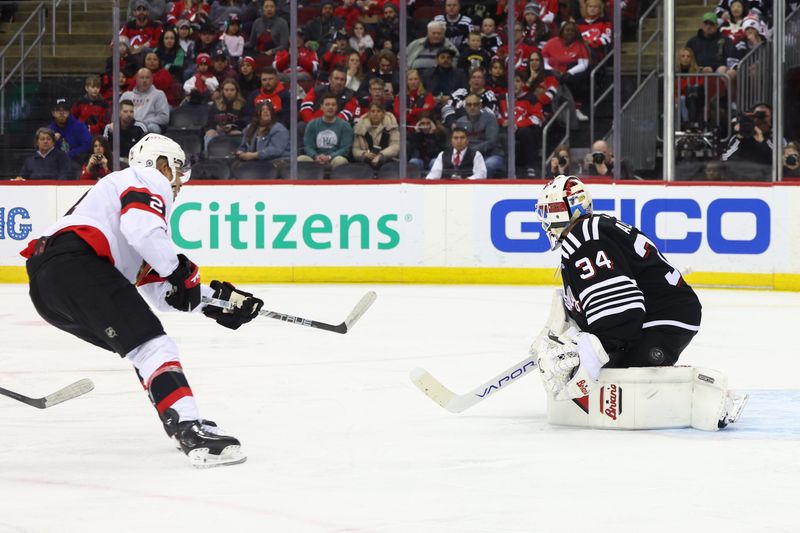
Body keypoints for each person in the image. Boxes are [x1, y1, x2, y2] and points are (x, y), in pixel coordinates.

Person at [20, 133, 263, 468]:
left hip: (49, 287)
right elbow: (145, 233)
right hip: (76, 267)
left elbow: (163, 294)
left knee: (143, 348)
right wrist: (183, 271)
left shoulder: (119, 205)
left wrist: (219, 302)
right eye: (177, 169)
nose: (178, 183)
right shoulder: (145, 178)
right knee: (153, 347)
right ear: (161, 162)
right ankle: (190, 429)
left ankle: (182, 422)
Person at [531, 175, 741, 429]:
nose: (546, 220)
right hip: (656, 311)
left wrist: (597, 346)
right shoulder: (589, 234)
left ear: (566, 210)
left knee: (623, 377)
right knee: (608, 373)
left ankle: (708, 392)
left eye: (549, 211)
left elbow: (621, 307)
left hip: (664, 315)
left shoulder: (584, 236)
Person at [453, 93, 505, 177]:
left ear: (480, 105)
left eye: (475, 104)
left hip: (490, 156)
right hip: (468, 158)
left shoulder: (490, 118)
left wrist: (470, 152)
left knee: (488, 165)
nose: (472, 107)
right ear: (465, 107)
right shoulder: (460, 122)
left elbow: (491, 142)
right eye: (469, 105)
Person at [298, 93, 353, 169]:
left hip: (334, 159)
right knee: (301, 159)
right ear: (321, 107)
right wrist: (316, 156)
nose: (330, 107)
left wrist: (330, 157)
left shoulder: (345, 125)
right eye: (327, 105)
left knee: (340, 161)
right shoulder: (312, 124)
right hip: (316, 159)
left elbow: (345, 148)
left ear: (337, 107)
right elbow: (308, 146)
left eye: (333, 105)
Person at [352, 102, 400, 170]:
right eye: (373, 111)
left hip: (388, 161)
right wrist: (364, 153)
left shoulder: (391, 126)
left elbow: (396, 146)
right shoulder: (360, 127)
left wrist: (381, 155)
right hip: (365, 162)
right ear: (368, 113)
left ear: (383, 114)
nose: (375, 114)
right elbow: (355, 150)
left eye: (378, 111)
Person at [122, 68, 170, 133]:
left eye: (147, 78)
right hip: (128, 124)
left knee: (153, 127)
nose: (144, 80)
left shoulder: (159, 94)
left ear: (152, 80)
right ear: (136, 80)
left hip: (148, 126)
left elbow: (164, 118)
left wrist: (144, 122)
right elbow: (116, 115)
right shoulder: (127, 95)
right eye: (141, 78)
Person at [103, 99, 148, 167]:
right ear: (119, 112)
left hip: (135, 164)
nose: (129, 114)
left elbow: (144, 151)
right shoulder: (110, 128)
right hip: (115, 164)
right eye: (125, 112)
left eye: (131, 111)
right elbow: (105, 151)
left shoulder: (140, 127)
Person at [205, 78, 247, 149]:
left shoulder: (243, 104)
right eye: (226, 90)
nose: (229, 92)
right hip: (218, 132)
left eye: (232, 90)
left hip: (235, 131)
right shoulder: (215, 104)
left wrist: (234, 127)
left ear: (237, 91)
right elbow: (209, 122)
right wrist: (214, 128)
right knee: (209, 134)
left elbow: (246, 121)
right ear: (222, 91)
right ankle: (208, 157)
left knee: (237, 134)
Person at [48, 98, 93, 163]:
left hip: (76, 162)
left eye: (65, 110)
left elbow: (87, 145)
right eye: (58, 110)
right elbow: (43, 150)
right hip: (55, 164)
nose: (61, 113)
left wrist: (69, 154)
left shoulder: (79, 126)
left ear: (69, 112)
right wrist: (52, 141)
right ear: (53, 113)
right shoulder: (49, 130)